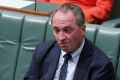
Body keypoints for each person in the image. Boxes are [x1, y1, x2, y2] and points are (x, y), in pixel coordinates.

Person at [24, 3, 114, 80]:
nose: (61, 38)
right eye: (56, 30)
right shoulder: (42, 51)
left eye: (67, 30)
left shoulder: (101, 66)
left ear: (82, 29)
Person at [39, 0, 114, 24]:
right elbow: (40, 3)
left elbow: (103, 9)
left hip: (78, 20)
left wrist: (72, 16)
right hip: (47, 16)